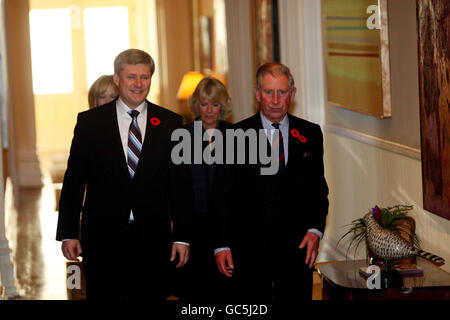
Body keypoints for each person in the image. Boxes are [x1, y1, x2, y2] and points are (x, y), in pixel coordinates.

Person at [56, 49, 193, 302]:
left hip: (154, 240)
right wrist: (68, 232)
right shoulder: (90, 123)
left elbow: (181, 186)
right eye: (131, 77)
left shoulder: (171, 123)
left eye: (145, 77)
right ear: (117, 79)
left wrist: (183, 237)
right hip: (102, 238)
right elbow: (74, 180)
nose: (139, 84)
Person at [212, 62, 329, 310]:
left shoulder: (310, 134)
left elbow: (318, 191)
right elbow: (221, 196)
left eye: (282, 92)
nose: (275, 100)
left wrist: (315, 231)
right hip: (249, 249)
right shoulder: (234, 136)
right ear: (257, 94)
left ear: (292, 94)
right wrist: (222, 244)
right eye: (268, 92)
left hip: (297, 248)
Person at [175, 77, 233, 302]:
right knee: (194, 289)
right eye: (204, 103)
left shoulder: (236, 134)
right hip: (193, 224)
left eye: (215, 104)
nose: (209, 110)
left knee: (226, 290)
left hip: (227, 226)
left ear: (223, 106)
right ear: (196, 105)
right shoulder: (182, 135)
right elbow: (175, 184)